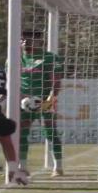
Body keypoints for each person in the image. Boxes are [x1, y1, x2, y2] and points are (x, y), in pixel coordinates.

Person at [20, 30, 64, 177]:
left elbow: (56, 81)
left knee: (50, 132)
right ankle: (22, 167)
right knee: (21, 133)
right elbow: (11, 80)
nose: (25, 42)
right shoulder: (14, 58)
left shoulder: (50, 57)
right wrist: (20, 98)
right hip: (24, 102)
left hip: (45, 101)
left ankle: (58, 167)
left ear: (39, 41)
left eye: (30, 39)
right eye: (23, 40)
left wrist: (51, 99)